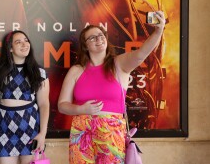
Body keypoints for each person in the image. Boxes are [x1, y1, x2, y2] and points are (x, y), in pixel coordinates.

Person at [57, 11, 166, 163]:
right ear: (85, 45)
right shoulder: (76, 70)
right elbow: (62, 105)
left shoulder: (119, 64)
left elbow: (141, 54)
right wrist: (81, 109)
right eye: (93, 37)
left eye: (101, 35)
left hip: (111, 133)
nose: (99, 39)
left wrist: (158, 31)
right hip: (81, 133)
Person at [0, 30, 50, 164]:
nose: (24, 44)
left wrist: (43, 134)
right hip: (2, 128)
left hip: (29, 129)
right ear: (10, 48)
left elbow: (44, 104)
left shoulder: (39, 72)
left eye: (26, 40)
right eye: (18, 42)